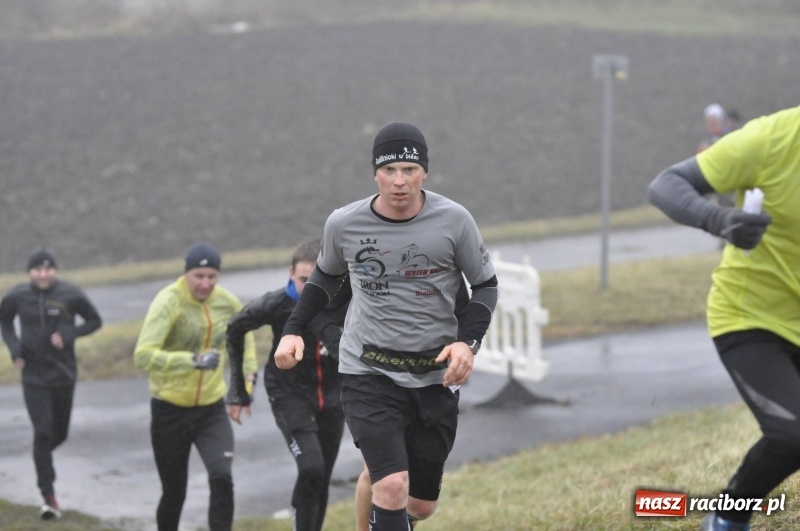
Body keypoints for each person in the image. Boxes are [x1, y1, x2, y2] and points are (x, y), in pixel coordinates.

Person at [273, 121, 499, 531]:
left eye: (408, 170)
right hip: (368, 371)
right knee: (392, 486)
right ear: (375, 173)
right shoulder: (344, 223)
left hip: (434, 374)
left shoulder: (454, 220)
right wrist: (293, 329)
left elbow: (485, 285)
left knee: (421, 505)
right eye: (389, 170)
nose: (399, 181)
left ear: (424, 172)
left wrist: (467, 343)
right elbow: (324, 278)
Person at [647, 106, 800, 531]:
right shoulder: (771, 139)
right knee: (792, 436)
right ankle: (726, 517)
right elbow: (666, 185)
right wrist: (721, 219)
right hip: (752, 318)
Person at [226, 239, 350, 531]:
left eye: (318, 281)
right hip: (288, 395)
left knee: (321, 476)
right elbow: (235, 327)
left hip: (333, 398)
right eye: (304, 280)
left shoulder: (343, 303)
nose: (311, 288)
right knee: (312, 468)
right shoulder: (277, 303)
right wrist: (237, 389)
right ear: (291, 273)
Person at [134, 242, 257, 531]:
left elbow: (244, 338)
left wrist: (244, 385)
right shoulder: (168, 301)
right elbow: (143, 355)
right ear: (186, 274)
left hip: (210, 410)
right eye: (198, 276)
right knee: (174, 491)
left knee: (222, 476)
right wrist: (191, 360)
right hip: (170, 410)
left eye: (212, 277)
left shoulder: (226, 302)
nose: (205, 284)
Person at [0, 248, 102, 520]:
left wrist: (70, 333)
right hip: (33, 376)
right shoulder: (17, 296)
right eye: (37, 270)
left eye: (47, 269)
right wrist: (14, 348)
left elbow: (95, 321)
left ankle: (40, 456)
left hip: (64, 374)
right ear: (29, 272)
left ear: (54, 271)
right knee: (43, 432)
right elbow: (4, 320)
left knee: (59, 434)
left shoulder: (71, 294)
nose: (43, 275)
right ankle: (49, 498)